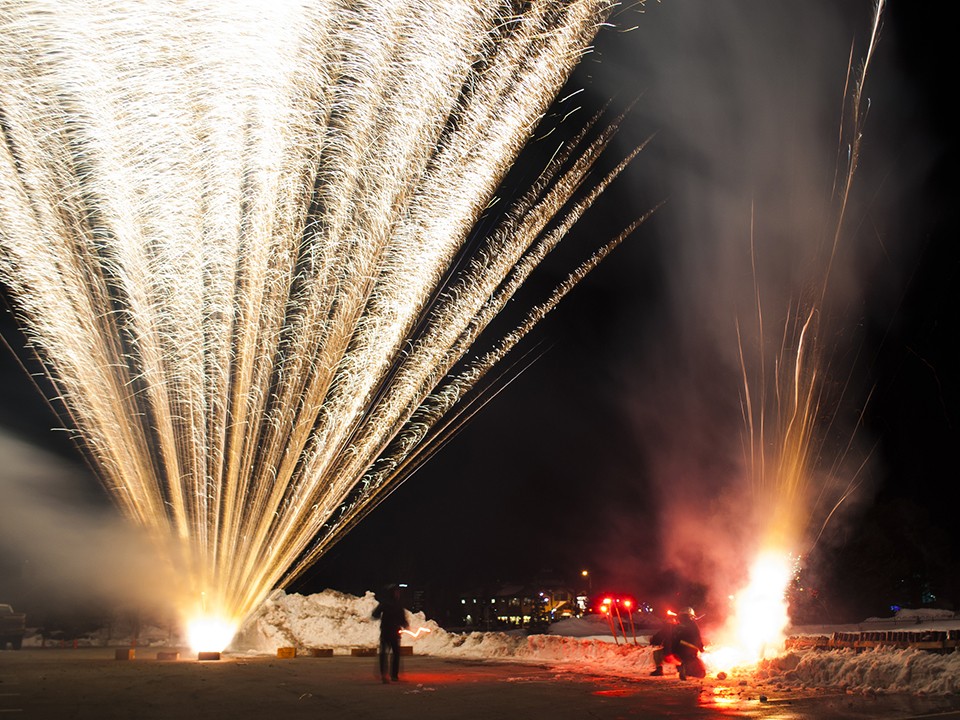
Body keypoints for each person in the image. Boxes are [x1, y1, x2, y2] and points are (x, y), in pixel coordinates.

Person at [372, 585, 409, 683]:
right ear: (392, 593)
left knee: (388, 653)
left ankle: (388, 675)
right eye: (396, 592)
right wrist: (404, 623)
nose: (398, 594)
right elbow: (401, 618)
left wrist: (404, 623)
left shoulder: (387, 603)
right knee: (392, 653)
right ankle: (392, 675)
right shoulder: (394, 604)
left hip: (388, 631)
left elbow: (375, 614)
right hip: (390, 631)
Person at [672, 607, 705, 680]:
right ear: (690, 616)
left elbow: (673, 638)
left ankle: (684, 668)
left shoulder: (678, 625)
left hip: (678, 649)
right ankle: (685, 669)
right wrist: (701, 648)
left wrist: (673, 649)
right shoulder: (692, 624)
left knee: (685, 660)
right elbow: (697, 637)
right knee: (701, 673)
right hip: (690, 649)